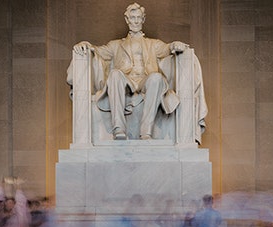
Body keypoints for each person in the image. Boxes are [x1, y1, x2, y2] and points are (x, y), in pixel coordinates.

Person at [73, 2, 189, 140]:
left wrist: (174, 45)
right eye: (132, 18)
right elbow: (98, 51)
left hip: (145, 81)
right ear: (127, 20)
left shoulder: (153, 44)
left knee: (157, 78)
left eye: (138, 18)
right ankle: (119, 128)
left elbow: (166, 48)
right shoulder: (115, 45)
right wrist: (85, 44)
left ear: (143, 19)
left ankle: (146, 131)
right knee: (115, 74)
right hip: (125, 82)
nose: (136, 21)